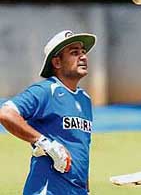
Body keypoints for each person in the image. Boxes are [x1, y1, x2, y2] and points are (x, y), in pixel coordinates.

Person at [0, 30, 96, 194]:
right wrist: (44, 143)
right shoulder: (45, 91)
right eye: (74, 53)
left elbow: (82, 148)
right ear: (57, 62)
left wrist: (86, 189)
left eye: (83, 52)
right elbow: (6, 114)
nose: (83, 57)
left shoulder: (85, 99)